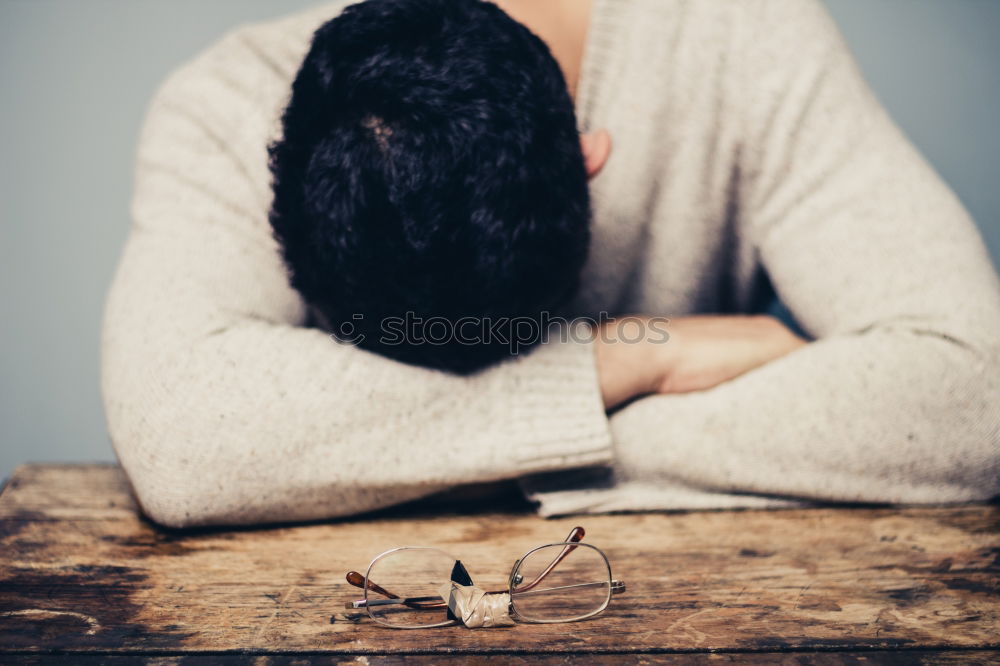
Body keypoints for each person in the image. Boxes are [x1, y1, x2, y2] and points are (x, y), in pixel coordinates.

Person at [101, 0, 1000, 528]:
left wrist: (379, 458)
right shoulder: (229, 101)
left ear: (591, 155)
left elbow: (976, 391)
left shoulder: (746, 39)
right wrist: (621, 363)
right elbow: (178, 434)